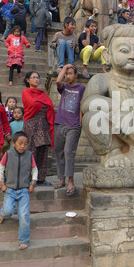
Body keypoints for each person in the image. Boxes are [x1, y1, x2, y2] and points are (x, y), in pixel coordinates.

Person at [0, 131, 38, 250]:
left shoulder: (29, 155)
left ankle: (23, 240)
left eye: (25, 144)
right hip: (9, 189)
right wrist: (2, 184)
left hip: (24, 190)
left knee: (24, 215)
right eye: (20, 143)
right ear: (13, 143)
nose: (23, 146)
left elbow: (34, 170)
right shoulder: (8, 154)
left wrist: (33, 183)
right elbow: (0, 169)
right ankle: (2, 214)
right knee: (8, 211)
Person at [53, 64, 85, 196]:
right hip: (60, 123)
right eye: (67, 74)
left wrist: (80, 122)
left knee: (68, 152)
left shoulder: (81, 88)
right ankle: (62, 179)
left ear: (76, 75)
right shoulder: (64, 87)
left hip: (73, 125)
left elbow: (83, 104)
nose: (68, 76)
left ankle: (71, 180)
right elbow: (58, 81)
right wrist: (65, 67)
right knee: (58, 151)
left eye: (71, 73)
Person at [22, 71, 55, 186]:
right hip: (31, 124)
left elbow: (50, 106)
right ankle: (28, 178)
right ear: (28, 80)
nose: (36, 79)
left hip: (43, 125)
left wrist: (43, 103)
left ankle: (41, 178)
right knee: (31, 151)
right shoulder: (26, 92)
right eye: (33, 77)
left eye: (37, 77)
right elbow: (33, 104)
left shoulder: (42, 93)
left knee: (43, 151)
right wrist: (44, 104)